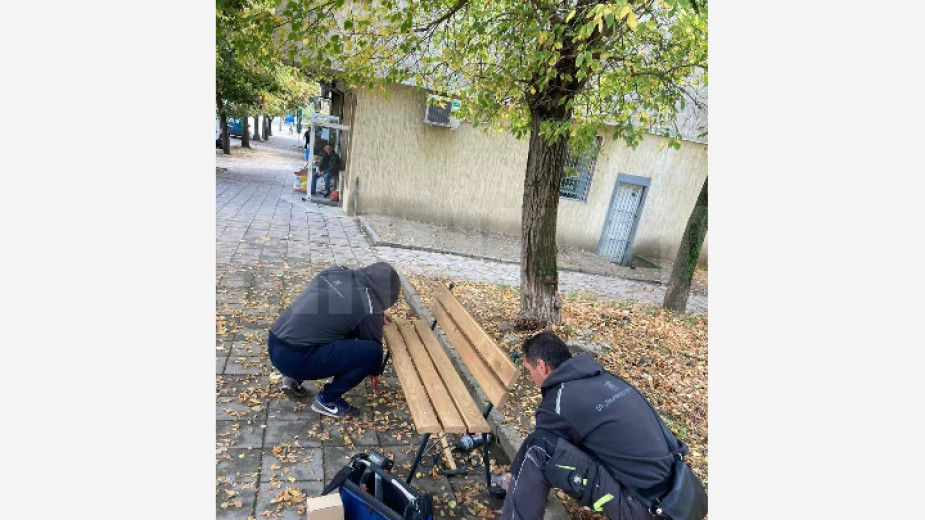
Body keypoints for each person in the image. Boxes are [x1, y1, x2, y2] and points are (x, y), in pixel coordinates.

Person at [499, 332, 683, 520]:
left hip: (643, 506)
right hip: (676, 490)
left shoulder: (559, 402)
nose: (530, 379)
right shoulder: (606, 379)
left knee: (539, 447)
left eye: (529, 370)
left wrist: (518, 479)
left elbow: (544, 448)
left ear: (541, 366)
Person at [267, 262, 401, 417]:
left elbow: (340, 305)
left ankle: (293, 378)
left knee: (331, 326)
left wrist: (375, 314)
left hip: (275, 342)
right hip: (297, 358)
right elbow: (372, 345)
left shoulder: (336, 271)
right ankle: (327, 400)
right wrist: (375, 370)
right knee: (372, 353)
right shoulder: (369, 304)